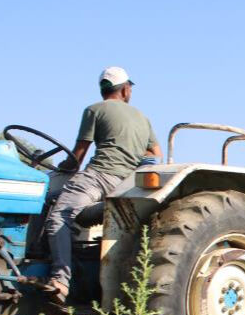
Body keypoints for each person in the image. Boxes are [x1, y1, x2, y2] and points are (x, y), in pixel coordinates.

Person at [45, 66, 161, 302]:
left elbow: (78, 155)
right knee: (84, 213)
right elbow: (155, 154)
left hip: (99, 176)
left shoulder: (94, 110)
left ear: (103, 90)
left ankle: (60, 280)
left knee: (58, 216)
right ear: (126, 89)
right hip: (125, 183)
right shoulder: (142, 117)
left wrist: (62, 167)